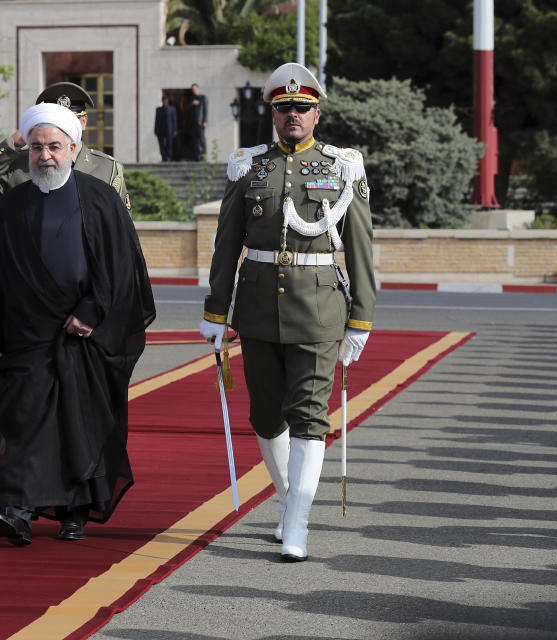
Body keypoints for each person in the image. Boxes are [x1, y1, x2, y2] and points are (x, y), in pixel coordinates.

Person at [198, 63, 376, 562]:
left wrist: (361, 317)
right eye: (283, 108)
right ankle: (285, 499)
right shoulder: (248, 166)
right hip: (255, 307)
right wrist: (216, 312)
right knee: (264, 414)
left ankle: (298, 520)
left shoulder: (342, 165)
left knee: (309, 416)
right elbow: (226, 242)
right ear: (272, 115)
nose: (292, 115)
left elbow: (360, 248)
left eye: (301, 107)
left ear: (317, 113)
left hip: (319, 306)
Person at [0, 102, 155, 546]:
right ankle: (16, 509)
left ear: (73, 148)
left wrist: (92, 311)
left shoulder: (101, 198)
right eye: (37, 148)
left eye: (54, 147)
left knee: (79, 424)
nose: (45, 156)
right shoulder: (14, 204)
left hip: (82, 335)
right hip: (26, 335)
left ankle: (75, 510)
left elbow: (121, 267)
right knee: (20, 420)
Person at [0, 81, 131, 213]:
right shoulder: (21, 165)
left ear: (84, 122)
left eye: (68, 123)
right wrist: (10, 146)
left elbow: (121, 227)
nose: (61, 129)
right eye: (54, 123)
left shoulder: (107, 168)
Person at [154, 95, 179, 161]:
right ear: (162, 101)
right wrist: (155, 130)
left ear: (168, 101)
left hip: (169, 130)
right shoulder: (158, 110)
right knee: (161, 145)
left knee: (169, 145)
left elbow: (175, 120)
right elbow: (156, 120)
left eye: (166, 101)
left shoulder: (172, 109)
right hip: (160, 130)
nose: (165, 102)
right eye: (164, 101)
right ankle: (163, 157)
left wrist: (175, 130)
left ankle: (168, 157)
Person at [187, 83, 208, 161]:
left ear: (198, 89)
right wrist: (192, 103)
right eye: (193, 90)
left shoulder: (203, 98)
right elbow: (187, 109)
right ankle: (197, 157)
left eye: (195, 89)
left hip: (200, 122)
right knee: (195, 141)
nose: (194, 91)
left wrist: (205, 121)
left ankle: (204, 156)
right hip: (193, 123)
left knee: (202, 140)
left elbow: (206, 109)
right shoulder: (191, 99)